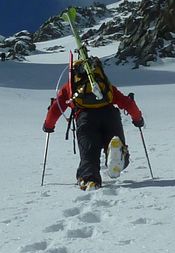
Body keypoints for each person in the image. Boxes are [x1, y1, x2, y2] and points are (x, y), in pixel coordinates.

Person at [42, 56, 144, 189]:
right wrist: (138, 119)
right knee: (118, 149)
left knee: (89, 154)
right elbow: (127, 103)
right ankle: (117, 154)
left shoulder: (70, 87)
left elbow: (56, 108)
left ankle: (89, 180)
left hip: (85, 118)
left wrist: (48, 126)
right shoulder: (104, 85)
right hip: (110, 115)